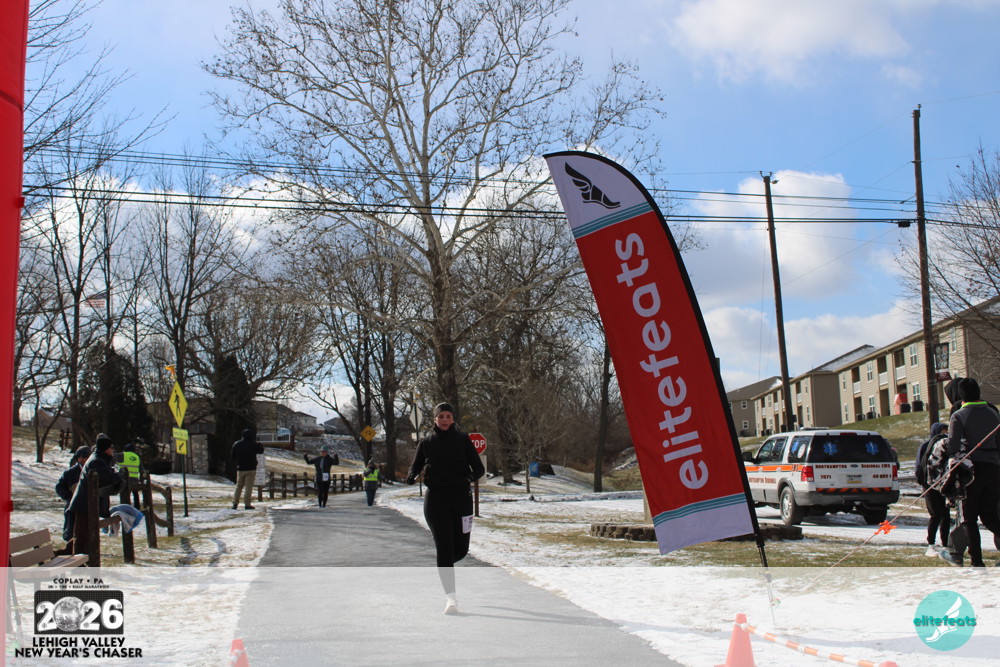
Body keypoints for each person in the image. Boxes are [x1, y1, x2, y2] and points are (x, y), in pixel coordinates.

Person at [406, 403, 485, 615]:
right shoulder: (426, 442)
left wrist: (468, 478)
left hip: (461, 499)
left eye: (448, 416)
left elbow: (479, 468)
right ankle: (451, 598)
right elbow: (416, 464)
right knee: (444, 547)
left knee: (461, 549)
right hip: (436, 499)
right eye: (441, 416)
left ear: (453, 419)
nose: (445, 420)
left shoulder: (463, 440)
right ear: (435, 419)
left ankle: (444, 565)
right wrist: (412, 474)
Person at [939, 378, 1000, 567]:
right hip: (994, 468)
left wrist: (943, 445)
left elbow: (953, 446)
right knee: (990, 515)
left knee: (969, 518)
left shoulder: (959, 415)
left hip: (971, 469)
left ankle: (977, 561)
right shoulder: (993, 413)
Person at [66, 434, 123, 557]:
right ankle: (78, 559)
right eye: (111, 447)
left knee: (84, 532)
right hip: (84, 503)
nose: (112, 450)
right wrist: (119, 477)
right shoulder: (97, 461)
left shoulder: (99, 459)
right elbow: (108, 478)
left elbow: (109, 474)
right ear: (106, 449)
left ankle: (72, 554)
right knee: (82, 535)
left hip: (88, 503)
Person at [915, 422, 951, 553]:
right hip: (929, 485)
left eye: (946, 432)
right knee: (936, 515)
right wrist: (923, 482)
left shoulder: (947, 446)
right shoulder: (926, 446)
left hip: (943, 485)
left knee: (946, 515)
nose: (944, 435)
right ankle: (931, 544)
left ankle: (946, 544)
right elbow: (919, 466)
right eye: (942, 432)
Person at [55, 447, 90, 550]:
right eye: (79, 456)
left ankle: (86, 550)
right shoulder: (70, 472)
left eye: (84, 456)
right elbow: (59, 487)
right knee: (71, 528)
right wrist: (70, 497)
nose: (81, 458)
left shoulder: (92, 471)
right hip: (72, 506)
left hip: (88, 506)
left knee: (86, 531)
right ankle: (70, 548)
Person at [232, 429, 264, 510]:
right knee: (248, 487)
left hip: (241, 468)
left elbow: (233, 456)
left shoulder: (237, 444)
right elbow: (261, 451)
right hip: (251, 468)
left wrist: (237, 462)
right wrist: (260, 444)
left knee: (239, 487)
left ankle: (235, 503)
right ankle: (247, 504)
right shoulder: (253, 444)